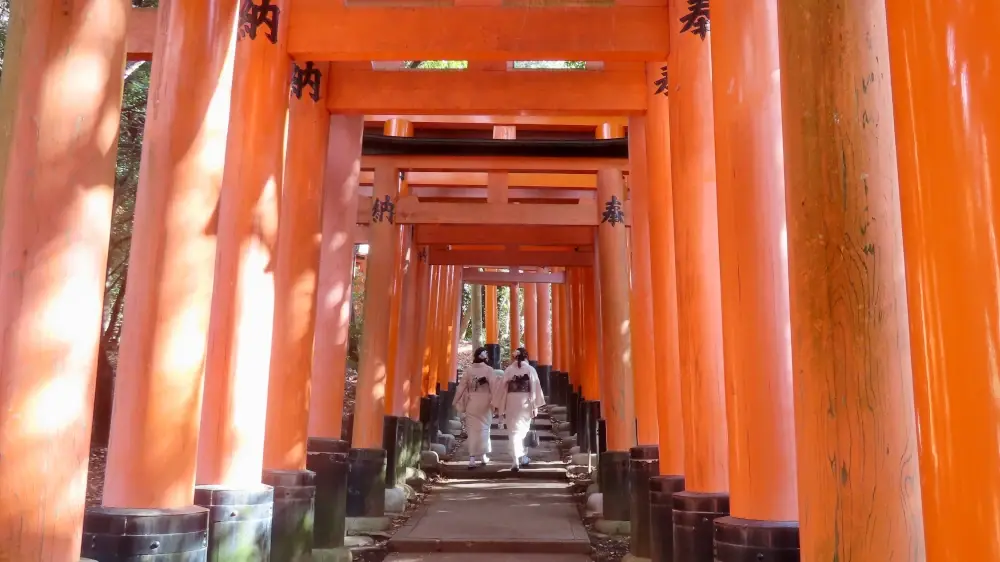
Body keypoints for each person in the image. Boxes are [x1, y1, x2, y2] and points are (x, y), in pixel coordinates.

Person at [493, 347, 545, 472]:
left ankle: (515, 459)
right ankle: (523, 457)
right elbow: (535, 388)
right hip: (525, 401)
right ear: (526, 357)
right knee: (523, 430)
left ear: (515, 357)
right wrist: (535, 406)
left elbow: (502, 388)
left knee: (513, 431)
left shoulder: (509, 370)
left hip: (511, 401)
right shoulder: (530, 369)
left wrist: (499, 404)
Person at [454, 347, 499, 468]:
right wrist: (497, 404)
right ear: (485, 357)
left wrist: (455, 401)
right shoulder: (489, 370)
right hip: (485, 402)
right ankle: (483, 456)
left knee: (472, 431)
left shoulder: (469, 370)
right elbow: (494, 388)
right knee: (484, 429)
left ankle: (472, 458)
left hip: (472, 402)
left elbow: (461, 387)